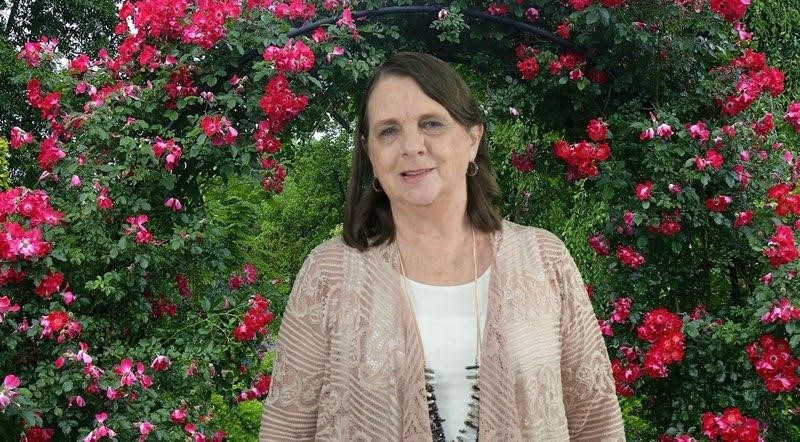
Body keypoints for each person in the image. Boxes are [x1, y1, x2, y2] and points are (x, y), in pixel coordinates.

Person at [259, 52, 625, 441]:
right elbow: (286, 431)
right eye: (388, 131)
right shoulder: (329, 273)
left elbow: (597, 423)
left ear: (472, 138)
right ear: (370, 153)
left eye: (431, 124)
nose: (411, 146)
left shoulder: (544, 260)